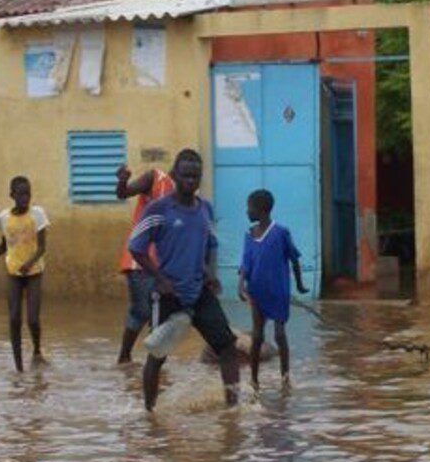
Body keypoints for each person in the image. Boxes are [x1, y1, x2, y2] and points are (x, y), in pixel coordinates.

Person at [128, 149, 240, 411]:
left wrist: (210, 272)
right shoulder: (159, 209)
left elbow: (211, 244)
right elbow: (136, 247)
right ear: (174, 175)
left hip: (199, 291)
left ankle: (233, 409)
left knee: (227, 347)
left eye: (196, 176)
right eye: (186, 175)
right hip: (168, 295)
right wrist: (160, 278)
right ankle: (149, 413)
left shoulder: (205, 209)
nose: (191, 180)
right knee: (157, 356)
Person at [0, 176, 48, 372]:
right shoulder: (4, 218)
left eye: (28, 194)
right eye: (21, 194)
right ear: (12, 195)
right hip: (13, 272)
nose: (25, 198)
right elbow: (4, 246)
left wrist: (29, 263)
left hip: (34, 272)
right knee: (14, 318)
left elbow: (42, 248)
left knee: (32, 318)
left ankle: (37, 350)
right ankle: (19, 367)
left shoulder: (38, 214)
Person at [238, 189, 308, 387]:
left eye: (249, 207)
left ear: (261, 210)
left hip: (279, 292)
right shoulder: (249, 235)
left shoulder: (281, 232)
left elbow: (294, 259)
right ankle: (254, 380)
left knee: (279, 334)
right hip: (257, 292)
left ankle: (285, 377)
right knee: (257, 336)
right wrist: (240, 283)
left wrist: (301, 285)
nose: (246, 212)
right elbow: (246, 262)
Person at [115, 164, 175, 364]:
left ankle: (154, 365)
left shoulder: (185, 197)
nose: (192, 181)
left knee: (161, 314)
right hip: (139, 260)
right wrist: (122, 180)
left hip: (163, 264)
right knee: (142, 311)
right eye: (189, 175)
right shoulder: (155, 178)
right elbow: (123, 193)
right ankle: (126, 358)